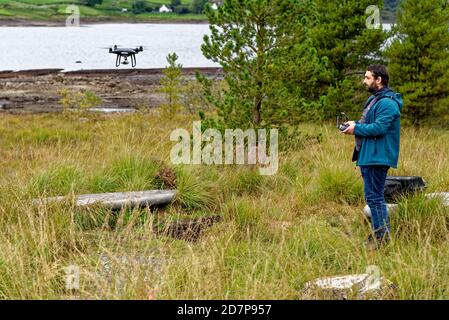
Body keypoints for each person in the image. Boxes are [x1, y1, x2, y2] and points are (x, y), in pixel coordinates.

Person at [342, 64, 403, 250]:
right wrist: (354, 124)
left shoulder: (387, 103)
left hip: (378, 156)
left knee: (375, 198)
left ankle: (381, 238)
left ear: (379, 80)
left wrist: (356, 129)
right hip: (369, 155)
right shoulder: (374, 100)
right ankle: (379, 235)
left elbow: (379, 128)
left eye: (368, 78)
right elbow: (368, 122)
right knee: (372, 197)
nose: (364, 81)